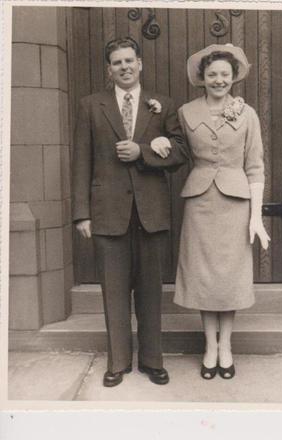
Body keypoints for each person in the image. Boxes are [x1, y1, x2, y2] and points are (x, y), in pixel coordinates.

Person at [72, 37, 187, 387]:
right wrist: (82, 214)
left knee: (151, 290)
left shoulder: (162, 105)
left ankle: (152, 360)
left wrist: (142, 152)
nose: (124, 67)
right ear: (109, 69)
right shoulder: (91, 105)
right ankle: (118, 362)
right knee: (114, 290)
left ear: (140, 64)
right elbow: (81, 161)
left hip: (150, 212)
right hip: (108, 213)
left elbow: (180, 152)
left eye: (129, 61)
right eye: (116, 63)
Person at [172, 44, 270, 379]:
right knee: (204, 277)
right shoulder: (186, 112)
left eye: (224, 75)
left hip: (235, 205)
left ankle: (226, 346)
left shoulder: (248, 114)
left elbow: (255, 167)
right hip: (199, 204)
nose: (218, 80)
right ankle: (209, 347)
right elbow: (174, 148)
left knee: (228, 278)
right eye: (212, 74)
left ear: (233, 77)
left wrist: (255, 217)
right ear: (202, 77)